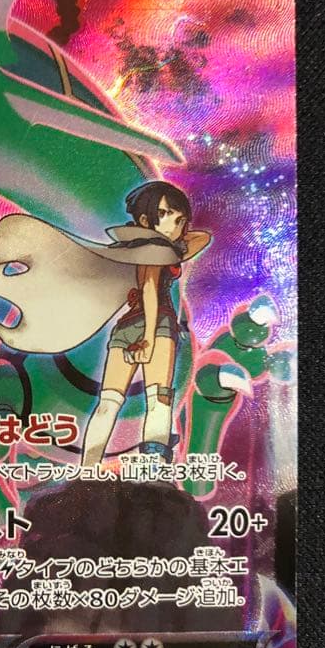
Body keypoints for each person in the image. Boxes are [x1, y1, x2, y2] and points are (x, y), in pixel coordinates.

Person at [80, 181, 210, 464]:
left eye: (180, 220)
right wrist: (149, 338)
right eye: (164, 214)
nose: (174, 225)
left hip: (126, 328)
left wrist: (169, 241)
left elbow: (201, 238)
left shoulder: (136, 249)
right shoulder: (151, 253)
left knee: (108, 403)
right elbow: (150, 289)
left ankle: (88, 468)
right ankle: (153, 467)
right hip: (157, 323)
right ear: (143, 219)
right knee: (159, 399)